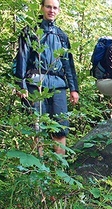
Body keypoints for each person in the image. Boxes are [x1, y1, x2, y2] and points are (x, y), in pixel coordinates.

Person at [14, 0, 79, 155]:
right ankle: (38, 171)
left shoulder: (62, 36)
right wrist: (21, 85)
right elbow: (21, 59)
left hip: (58, 85)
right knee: (36, 127)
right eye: (48, 7)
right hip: (35, 83)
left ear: (59, 11)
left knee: (61, 127)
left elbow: (68, 65)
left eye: (55, 8)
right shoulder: (30, 31)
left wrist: (74, 89)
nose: (52, 10)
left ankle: (59, 171)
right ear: (42, 8)